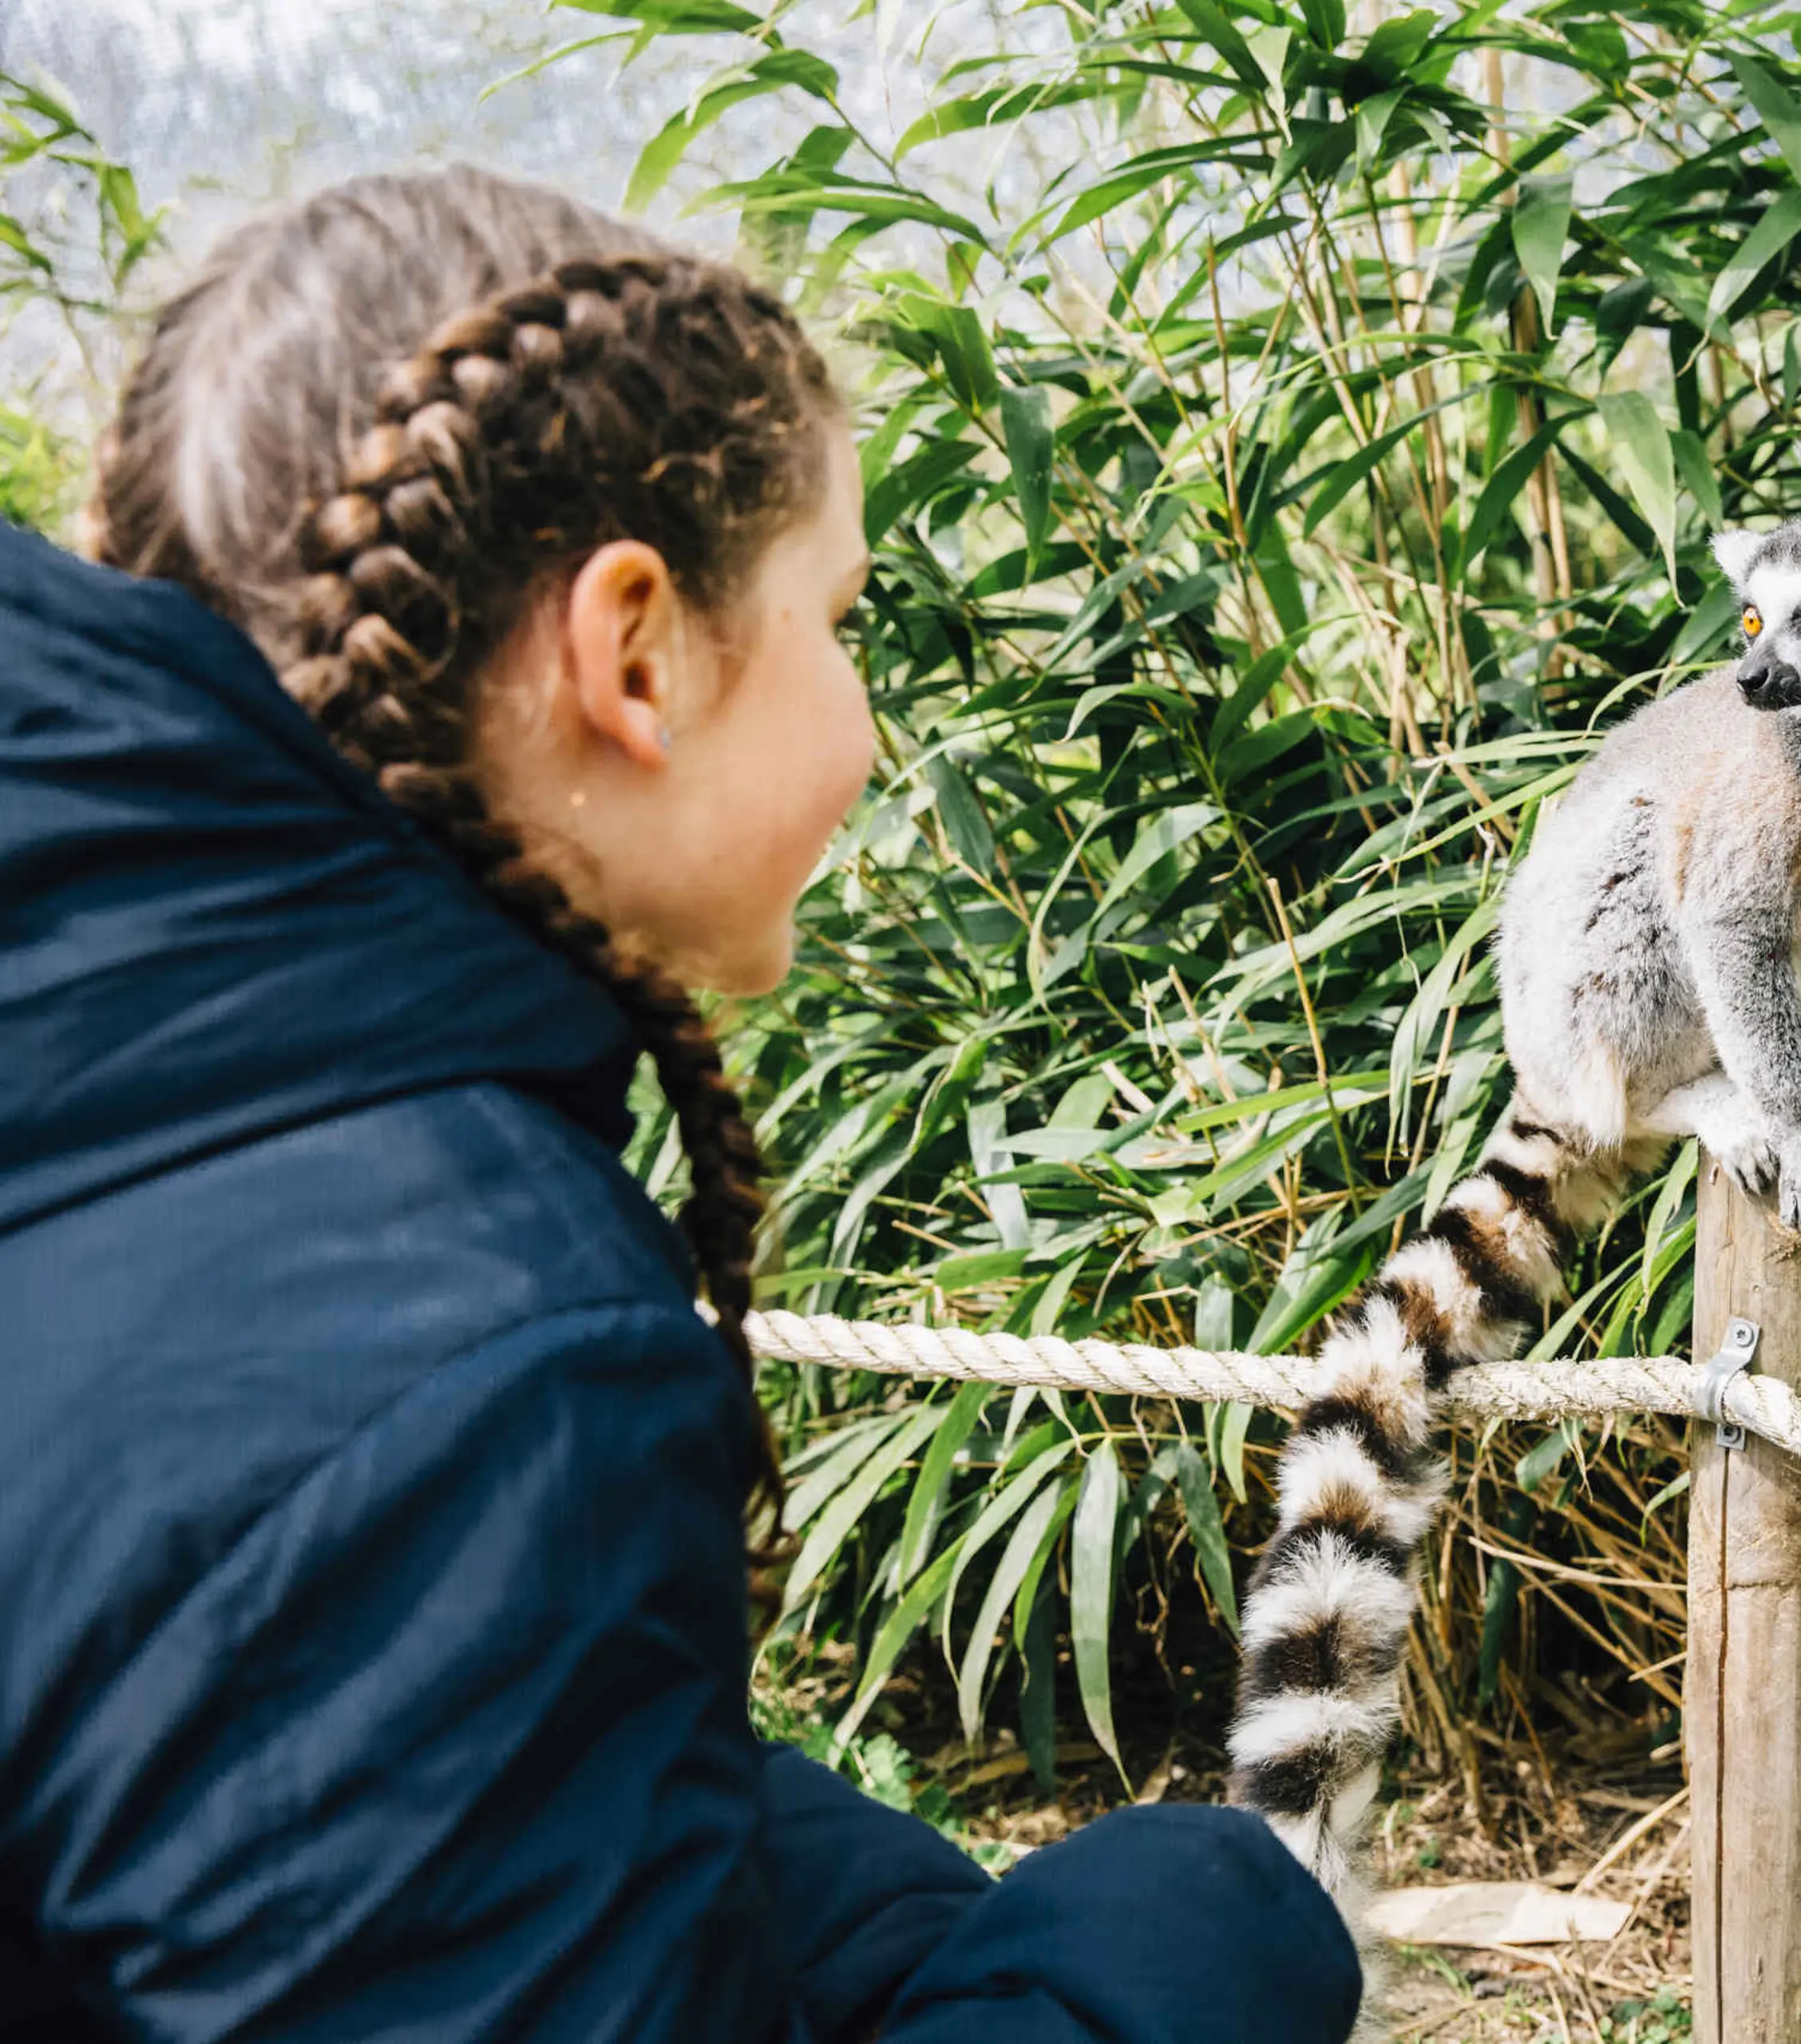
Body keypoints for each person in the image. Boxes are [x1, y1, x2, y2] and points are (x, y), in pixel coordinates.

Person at [0, 167, 1362, 2042]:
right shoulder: (475, 1370)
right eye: (839, 614)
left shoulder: (123, 1078)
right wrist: (1184, 1950)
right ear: (633, 649)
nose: (871, 719)